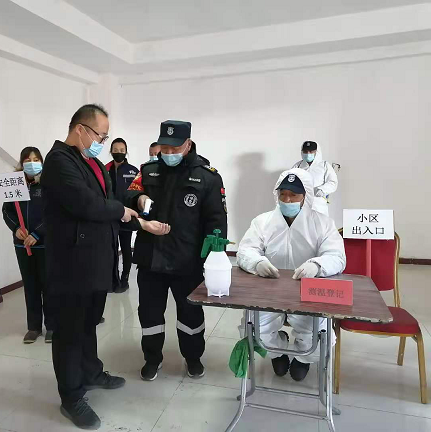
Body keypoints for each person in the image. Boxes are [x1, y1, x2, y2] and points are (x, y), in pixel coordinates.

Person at [41, 104, 171, 430]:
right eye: (100, 135)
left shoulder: (93, 163)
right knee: (70, 331)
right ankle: (71, 396)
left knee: (88, 324)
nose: (103, 142)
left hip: (96, 261)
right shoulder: (59, 161)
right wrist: (122, 212)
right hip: (71, 265)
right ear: (80, 129)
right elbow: (87, 205)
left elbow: (112, 198)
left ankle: (91, 372)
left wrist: (136, 202)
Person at [125, 120, 228, 382]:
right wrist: (138, 198)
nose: (168, 153)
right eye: (164, 148)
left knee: (190, 315)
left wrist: (212, 260)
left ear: (188, 144)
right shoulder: (147, 171)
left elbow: (216, 222)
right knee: (149, 314)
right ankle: (152, 358)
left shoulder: (207, 177)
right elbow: (125, 197)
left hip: (188, 261)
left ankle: (193, 357)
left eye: (174, 148)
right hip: (151, 257)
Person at [236, 168, 346, 381]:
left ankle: (302, 359)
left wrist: (317, 265)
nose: (287, 200)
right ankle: (277, 351)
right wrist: (257, 262)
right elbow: (245, 250)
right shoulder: (263, 221)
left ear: (306, 196)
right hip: (270, 290)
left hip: (308, 292)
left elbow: (337, 256)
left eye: (293, 195)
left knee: (318, 334)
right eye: (283, 194)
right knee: (254, 328)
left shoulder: (322, 224)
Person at [2, 147, 55, 344]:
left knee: (48, 285)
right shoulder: (14, 184)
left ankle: (52, 326)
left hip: (44, 243)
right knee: (30, 285)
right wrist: (16, 228)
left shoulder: (49, 183)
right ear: (21, 163)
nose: (32, 163)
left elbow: (54, 213)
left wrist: (37, 233)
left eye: (35, 159)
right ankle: (33, 327)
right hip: (22, 245)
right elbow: (7, 211)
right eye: (27, 160)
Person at [105, 138, 139, 293]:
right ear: (111, 151)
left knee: (125, 248)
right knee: (111, 249)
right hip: (109, 216)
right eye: (115, 150)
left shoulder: (133, 171)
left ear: (126, 152)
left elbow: (137, 193)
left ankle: (124, 279)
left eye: (121, 150)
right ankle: (114, 278)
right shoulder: (105, 169)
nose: (118, 153)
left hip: (126, 216)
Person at [292, 141, 338, 216]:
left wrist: (322, 189)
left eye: (311, 151)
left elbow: (333, 182)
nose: (308, 154)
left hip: (318, 206)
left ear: (317, 152)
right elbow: (290, 182)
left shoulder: (324, 165)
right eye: (305, 151)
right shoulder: (297, 166)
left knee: (319, 222)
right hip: (300, 205)